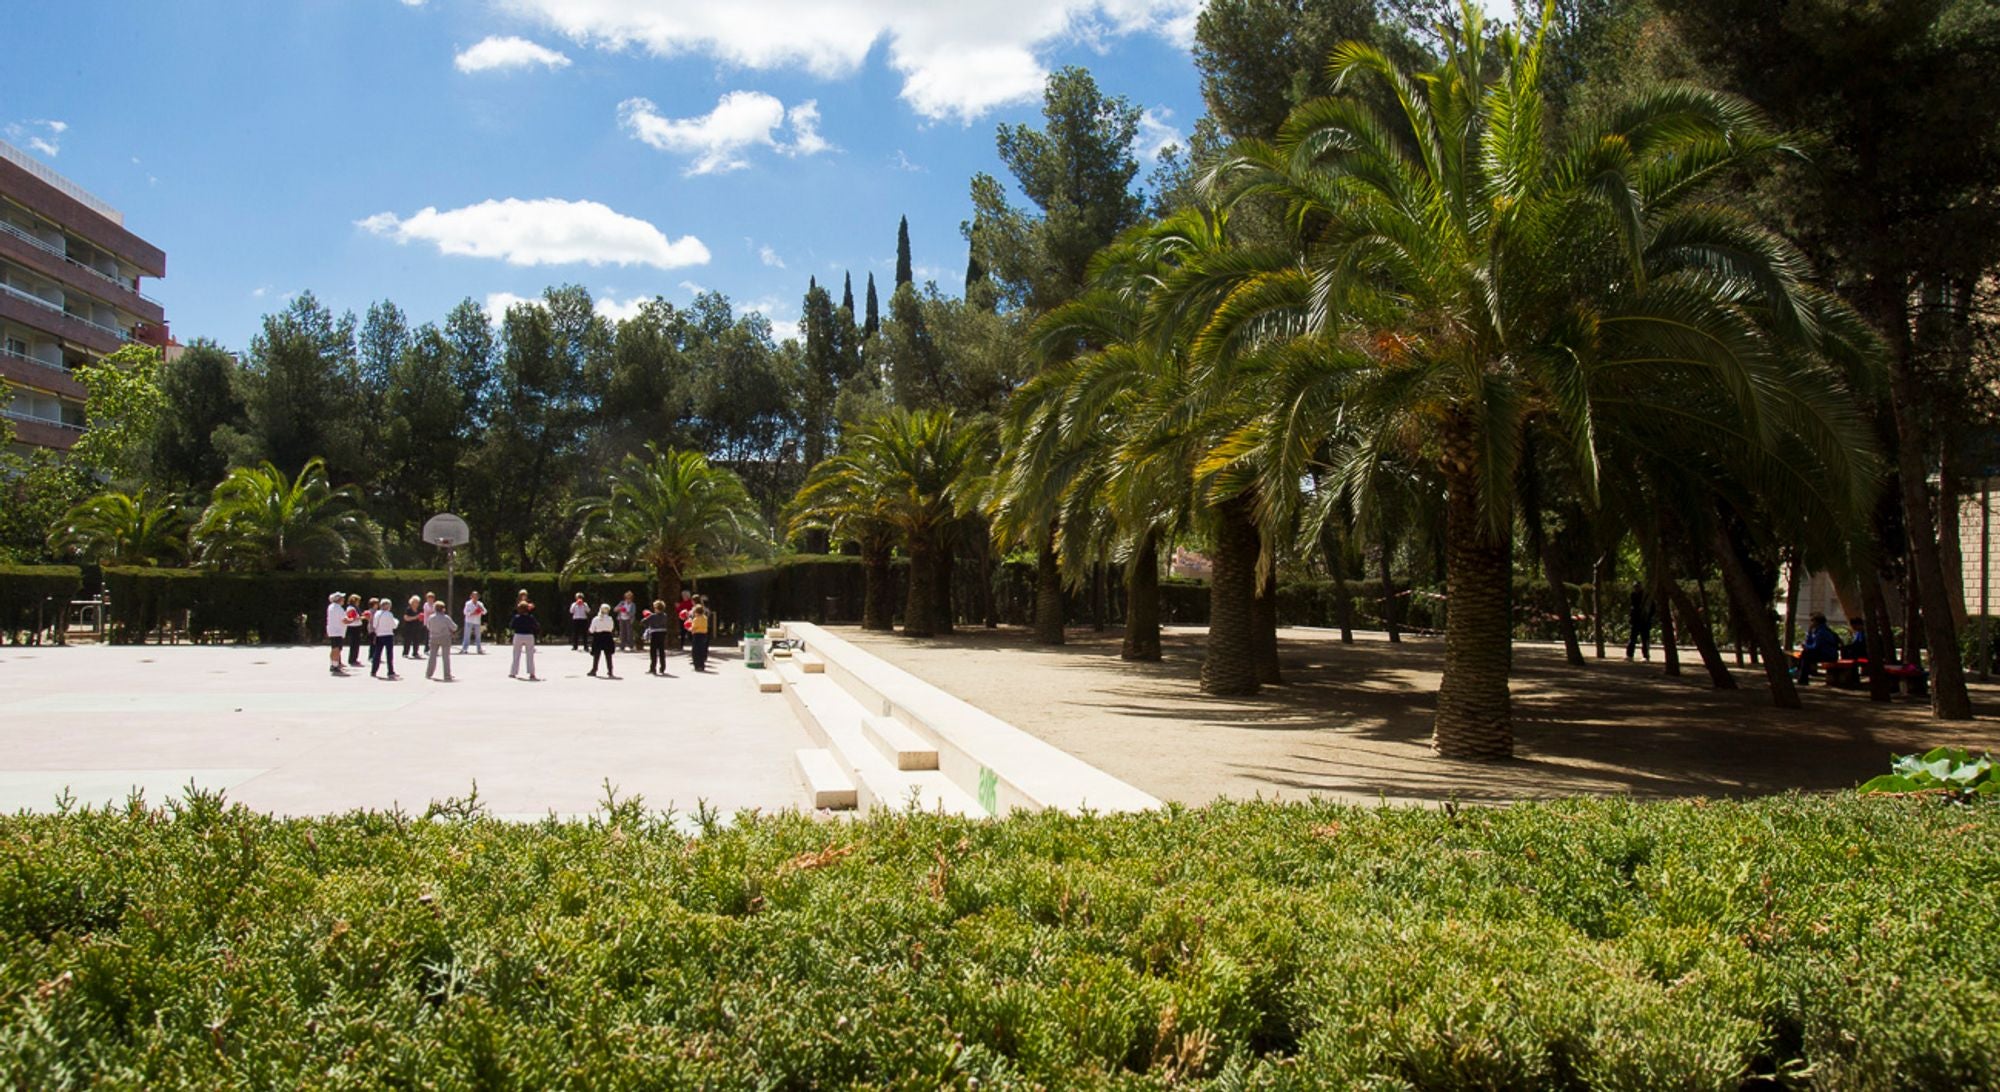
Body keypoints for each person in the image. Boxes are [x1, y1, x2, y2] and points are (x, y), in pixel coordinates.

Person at [1798, 612, 1841, 685]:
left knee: (1805, 655)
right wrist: (1809, 633)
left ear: (1816, 622)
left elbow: (1815, 647)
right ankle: (1802, 677)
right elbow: (1810, 643)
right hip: (1826, 654)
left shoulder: (1822, 632)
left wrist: (1806, 646)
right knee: (1805, 654)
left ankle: (1803, 679)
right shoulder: (1819, 631)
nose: (1811, 623)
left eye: (1812, 621)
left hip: (1828, 655)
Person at [425, 602, 459, 681]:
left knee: (432, 657)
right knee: (445, 657)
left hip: (433, 637)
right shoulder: (446, 617)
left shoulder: (431, 617)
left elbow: (428, 626)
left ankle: (428, 673)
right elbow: (454, 627)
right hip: (445, 638)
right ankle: (447, 675)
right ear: (443, 609)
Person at [370, 596, 400, 679]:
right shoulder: (389, 614)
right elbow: (394, 625)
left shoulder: (377, 613)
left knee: (377, 653)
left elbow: (375, 625)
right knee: (389, 654)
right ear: (387, 606)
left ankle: (373, 671)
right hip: (388, 635)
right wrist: (397, 621)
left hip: (379, 635)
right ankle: (390, 671)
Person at [509, 600, 540, 680]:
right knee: (530, 655)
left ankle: (513, 672)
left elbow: (511, 626)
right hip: (529, 636)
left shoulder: (516, 617)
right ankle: (532, 673)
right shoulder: (531, 617)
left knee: (516, 654)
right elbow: (536, 626)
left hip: (518, 635)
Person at [642, 599, 673, 675]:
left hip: (654, 633)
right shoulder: (665, 616)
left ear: (656, 608)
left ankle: (653, 668)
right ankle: (662, 668)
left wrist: (646, 616)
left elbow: (643, 621)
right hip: (662, 633)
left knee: (653, 652)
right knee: (661, 651)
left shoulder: (652, 616)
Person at [1625, 584, 1654, 661]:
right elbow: (1632, 607)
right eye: (1635, 587)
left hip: (1644, 621)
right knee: (1632, 638)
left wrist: (1648, 617)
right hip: (1635, 620)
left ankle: (1646, 656)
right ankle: (1630, 655)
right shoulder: (1633, 595)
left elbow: (1652, 608)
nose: (1636, 588)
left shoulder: (1646, 596)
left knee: (1645, 639)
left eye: (1637, 587)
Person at [588, 603, 618, 678]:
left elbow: (591, 630)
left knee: (596, 655)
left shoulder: (596, 619)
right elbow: (611, 628)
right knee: (608, 655)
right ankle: (610, 671)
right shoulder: (610, 619)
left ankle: (594, 670)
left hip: (598, 637)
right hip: (607, 637)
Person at [325, 592, 349, 675]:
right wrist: (353, 620)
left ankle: (333, 664)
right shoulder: (339, 608)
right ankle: (335, 665)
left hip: (332, 630)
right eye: (342, 598)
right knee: (337, 649)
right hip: (337, 631)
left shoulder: (331, 606)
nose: (343, 599)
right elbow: (344, 620)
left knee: (334, 648)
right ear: (339, 599)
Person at [688, 601, 712, 672]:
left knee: (695, 651)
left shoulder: (696, 619)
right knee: (701, 650)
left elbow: (693, 627)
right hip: (704, 635)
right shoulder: (705, 618)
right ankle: (702, 665)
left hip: (697, 635)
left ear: (696, 612)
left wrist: (689, 629)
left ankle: (696, 665)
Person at [344, 594, 366, 666]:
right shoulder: (351, 608)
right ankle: (352, 659)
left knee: (356, 644)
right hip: (353, 627)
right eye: (358, 601)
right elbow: (353, 618)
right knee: (354, 644)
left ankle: (354, 658)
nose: (358, 602)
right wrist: (363, 617)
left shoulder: (355, 608)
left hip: (356, 627)